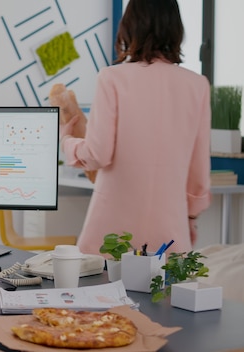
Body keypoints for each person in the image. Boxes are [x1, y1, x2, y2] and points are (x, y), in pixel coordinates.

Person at [59, 0, 211, 256]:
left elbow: (98, 154)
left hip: (111, 231)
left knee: (100, 294)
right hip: (170, 229)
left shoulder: (112, 78)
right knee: (164, 295)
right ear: (176, 29)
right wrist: (190, 218)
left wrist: (67, 141)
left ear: (129, 27)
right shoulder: (197, 85)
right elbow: (198, 169)